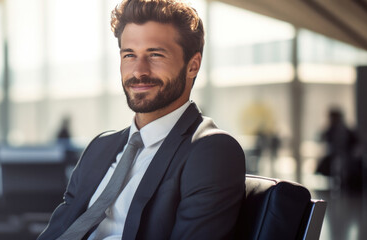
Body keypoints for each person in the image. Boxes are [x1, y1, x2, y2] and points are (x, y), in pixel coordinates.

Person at [38, 0, 245, 239]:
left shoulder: (210, 151)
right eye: (129, 55)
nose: (138, 71)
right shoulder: (99, 148)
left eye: (155, 55)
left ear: (193, 65)